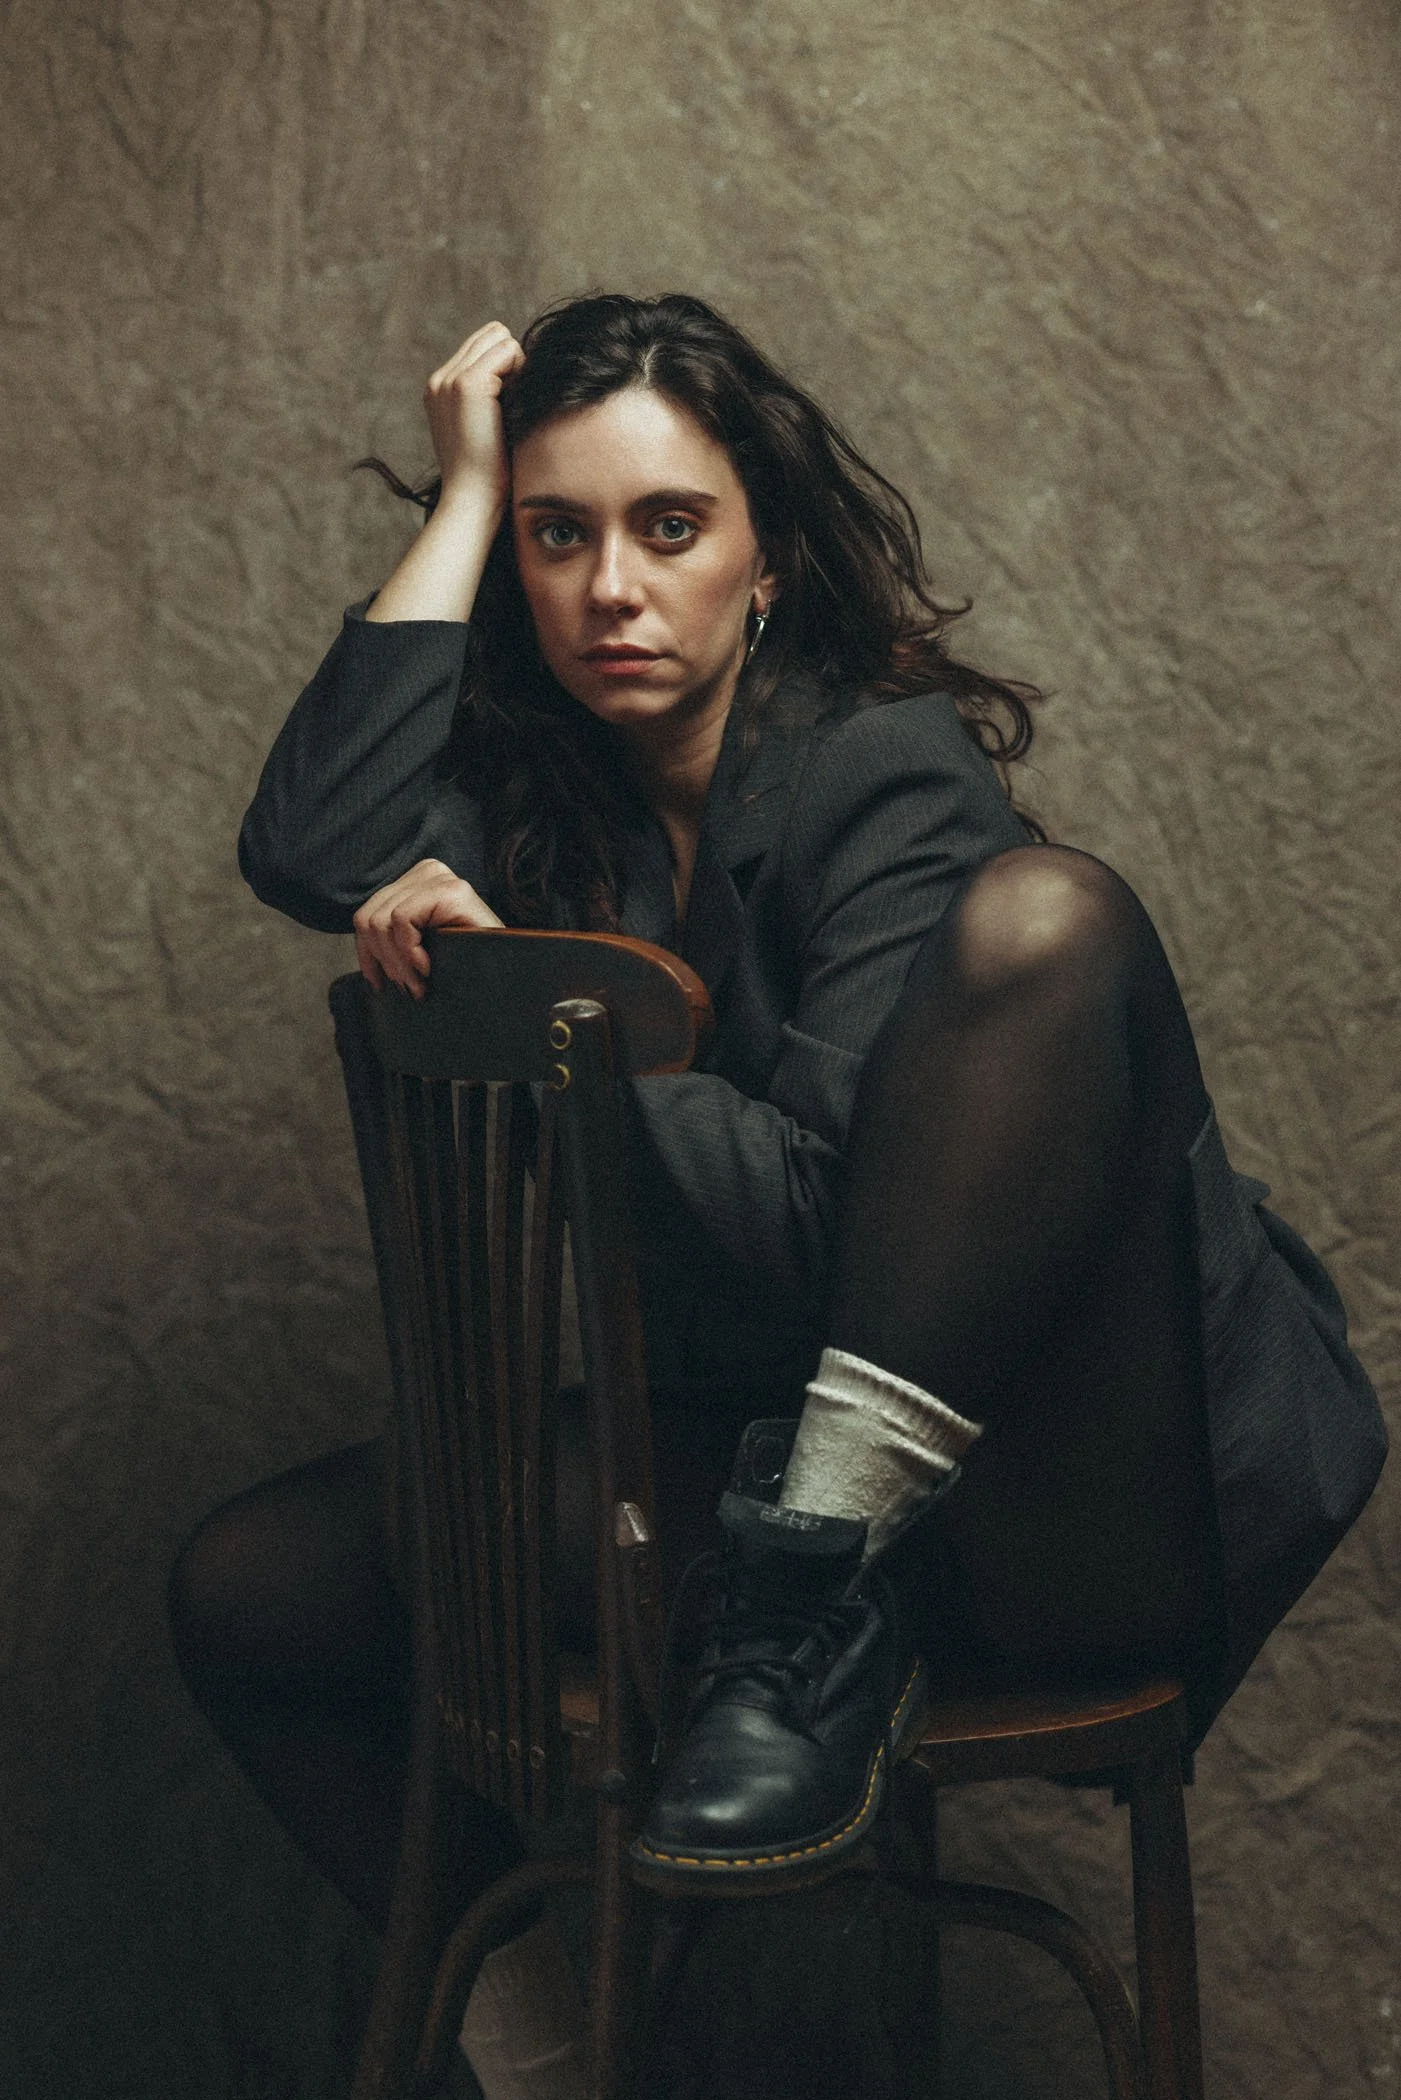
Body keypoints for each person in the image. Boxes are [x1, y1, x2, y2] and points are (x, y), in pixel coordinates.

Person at [172, 293, 1385, 2098]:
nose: (609, 590)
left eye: (670, 528)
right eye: (556, 536)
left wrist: (548, 1015)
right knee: (254, 1587)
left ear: (768, 563)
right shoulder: (546, 813)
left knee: (1053, 913)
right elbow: (311, 843)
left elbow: (825, 1228)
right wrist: (454, 499)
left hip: (1055, 1484)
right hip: (753, 1473)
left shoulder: (881, 773)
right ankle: (561, 2050)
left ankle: (816, 1572)